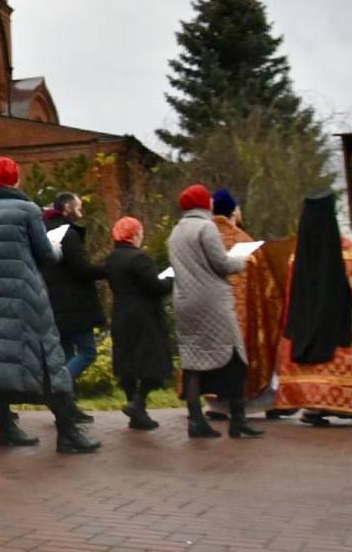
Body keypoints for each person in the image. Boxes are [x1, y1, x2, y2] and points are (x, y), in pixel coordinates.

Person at [0, 157, 100, 455]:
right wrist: (57, 250)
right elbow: (45, 255)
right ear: (15, 180)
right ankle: (68, 432)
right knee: (46, 360)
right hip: (23, 294)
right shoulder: (28, 210)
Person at [275, 192, 352, 424]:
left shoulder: (296, 258)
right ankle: (351, 405)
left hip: (307, 335)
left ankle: (315, 406)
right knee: (347, 356)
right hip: (344, 334)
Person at [168, 184, 260, 439]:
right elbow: (220, 263)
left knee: (193, 362)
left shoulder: (176, 231)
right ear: (202, 203)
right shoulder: (205, 227)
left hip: (184, 300)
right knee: (235, 357)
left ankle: (196, 421)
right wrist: (243, 261)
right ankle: (238, 421)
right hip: (211, 300)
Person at [206, 189, 287, 419]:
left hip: (208, 316)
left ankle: (215, 402)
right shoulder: (246, 243)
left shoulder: (204, 239)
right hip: (241, 319)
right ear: (234, 211)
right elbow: (267, 289)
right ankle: (251, 403)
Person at [103, 216, 173, 431]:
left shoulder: (112, 258)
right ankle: (138, 403)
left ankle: (136, 410)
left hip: (121, 313)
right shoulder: (139, 259)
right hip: (143, 316)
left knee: (128, 363)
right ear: (134, 235)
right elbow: (155, 286)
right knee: (151, 361)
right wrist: (170, 279)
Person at [40, 191, 104, 422]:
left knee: (66, 353)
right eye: (78, 207)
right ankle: (58, 390)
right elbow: (81, 269)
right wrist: (105, 269)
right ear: (67, 208)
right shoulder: (68, 234)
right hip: (75, 303)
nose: (81, 211)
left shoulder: (44, 230)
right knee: (87, 352)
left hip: (53, 301)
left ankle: (68, 408)